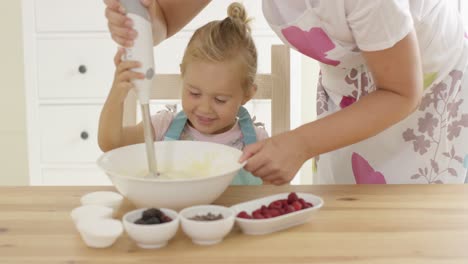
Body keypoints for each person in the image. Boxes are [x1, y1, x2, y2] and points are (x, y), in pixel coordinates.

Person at [104, 0, 468, 185]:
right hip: (348, 94)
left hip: (428, 93)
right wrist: (145, 24)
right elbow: (164, 17)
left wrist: (300, 143)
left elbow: (401, 91)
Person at [98, 2, 268, 185]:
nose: (204, 108)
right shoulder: (163, 126)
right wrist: (117, 93)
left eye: (220, 99)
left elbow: (271, 195)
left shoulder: (257, 142)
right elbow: (111, 144)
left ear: (247, 95)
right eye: (194, 93)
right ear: (183, 77)